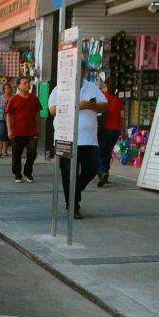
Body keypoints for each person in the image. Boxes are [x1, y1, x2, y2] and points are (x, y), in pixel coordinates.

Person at [48, 65, 108, 219]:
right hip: (66, 137)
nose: (77, 73)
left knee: (92, 168)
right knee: (69, 173)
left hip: (89, 138)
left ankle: (75, 191)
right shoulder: (61, 88)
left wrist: (93, 105)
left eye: (80, 70)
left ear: (83, 72)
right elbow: (52, 110)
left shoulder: (91, 87)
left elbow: (105, 105)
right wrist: (77, 106)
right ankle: (72, 205)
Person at [6, 76, 43, 183]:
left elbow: (37, 114)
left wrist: (38, 127)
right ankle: (17, 174)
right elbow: (8, 115)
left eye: (28, 83)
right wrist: (9, 130)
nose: (28, 85)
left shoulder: (34, 98)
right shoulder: (13, 99)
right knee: (16, 154)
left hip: (32, 131)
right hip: (17, 131)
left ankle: (28, 172)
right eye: (25, 83)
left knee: (32, 152)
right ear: (19, 86)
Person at [97, 77, 126, 187]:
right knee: (108, 151)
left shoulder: (102, 98)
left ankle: (102, 172)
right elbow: (123, 117)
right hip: (115, 131)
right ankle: (106, 172)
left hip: (104, 129)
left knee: (100, 151)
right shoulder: (118, 100)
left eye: (104, 86)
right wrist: (124, 131)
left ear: (106, 87)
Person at [0, 83, 12, 157]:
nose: (7, 90)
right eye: (6, 88)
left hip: (10, 119)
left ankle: (5, 151)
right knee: (0, 134)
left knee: (6, 135)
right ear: (4, 89)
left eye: (8, 88)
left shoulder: (13, 98)